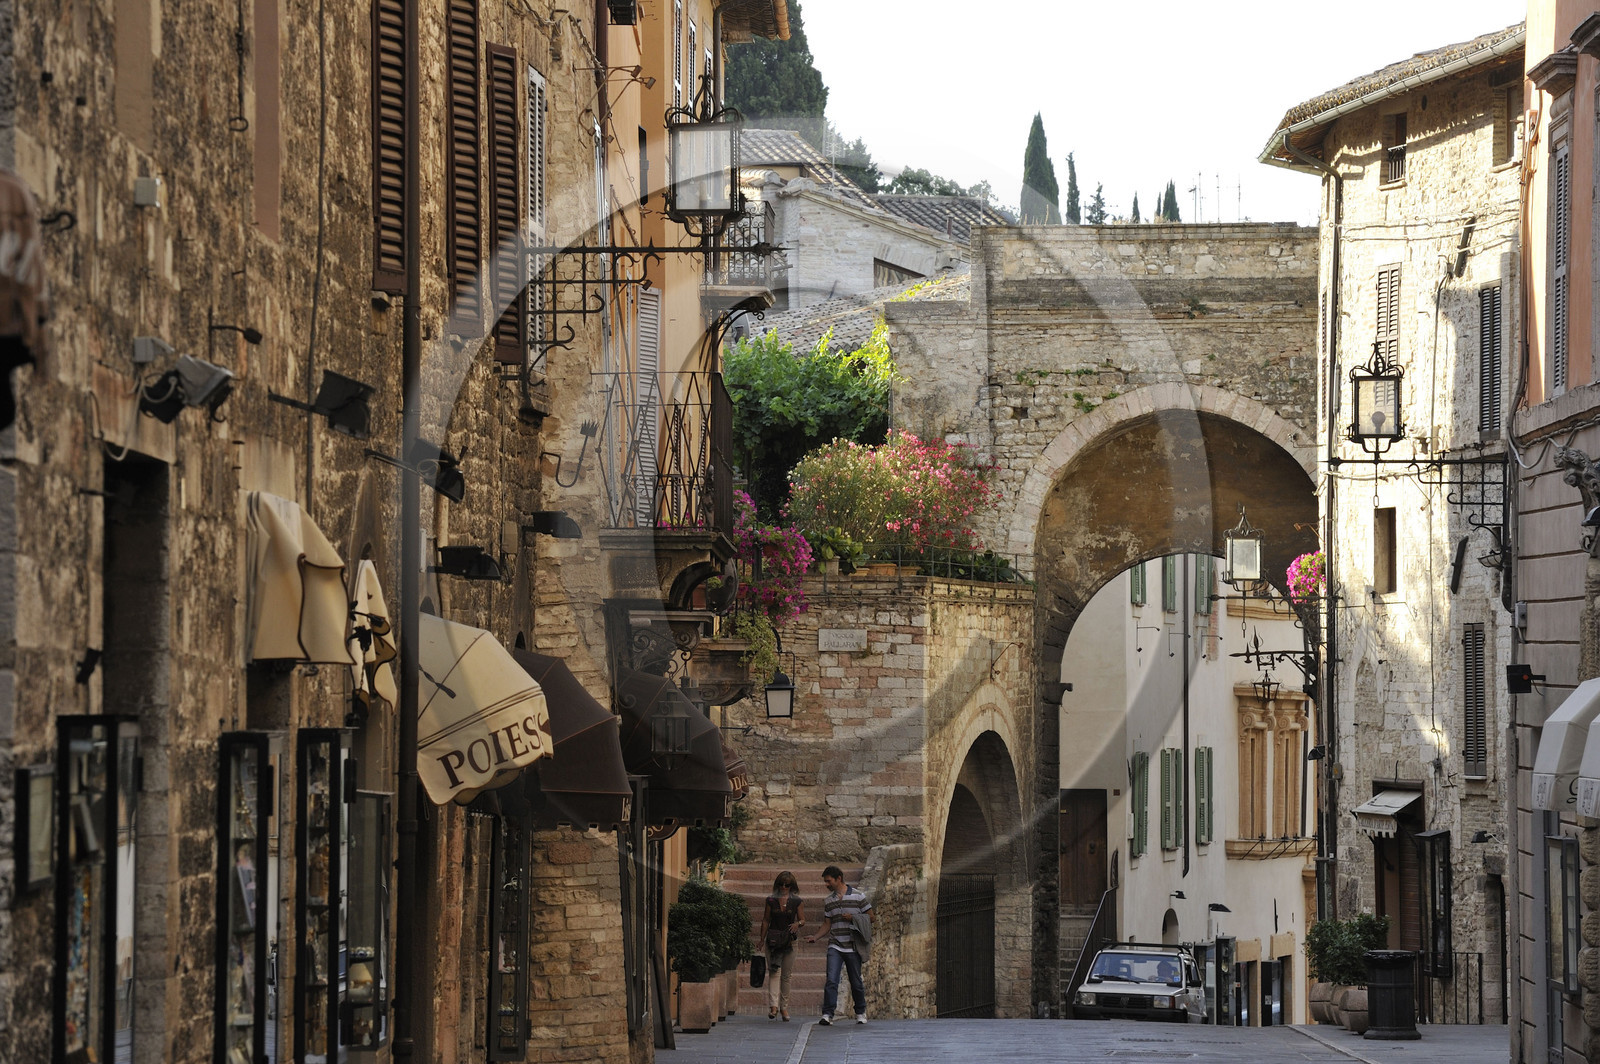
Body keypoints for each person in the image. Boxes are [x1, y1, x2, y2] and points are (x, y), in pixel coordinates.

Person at [806, 865, 872, 1025]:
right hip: (835, 945)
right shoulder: (829, 901)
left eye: (828, 881)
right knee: (831, 980)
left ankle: (861, 1012)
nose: (826, 884)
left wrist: (853, 917)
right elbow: (827, 924)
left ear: (838, 879)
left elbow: (871, 917)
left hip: (852, 946)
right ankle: (828, 1014)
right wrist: (815, 937)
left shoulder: (858, 896)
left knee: (856, 981)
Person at [756, 871, 804, 1020]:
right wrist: (761, 939)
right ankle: (773, 1007)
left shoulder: (797, 901)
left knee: (786, 976)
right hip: (774, 940)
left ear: (792, 886)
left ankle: (784, 1007)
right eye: (781, 884)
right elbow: (765, 920)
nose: (784, 887)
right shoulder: (770, 900)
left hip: (790, 941)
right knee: (774, 972)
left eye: (787, 885)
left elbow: (803, 920)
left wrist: (798, 923)